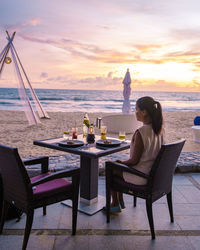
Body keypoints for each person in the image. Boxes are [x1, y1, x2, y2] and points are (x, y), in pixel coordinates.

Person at [103, 96, 165, 213]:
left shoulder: (141, 132)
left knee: (111, 168)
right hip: (152, 174)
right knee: (117, 167)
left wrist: (120, 163)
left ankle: (115, 203)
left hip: (141, 176)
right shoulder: (159, 130)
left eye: (136, 109)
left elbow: (134, 161)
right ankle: (119, 202)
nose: (135, 113)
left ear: (144, 112)